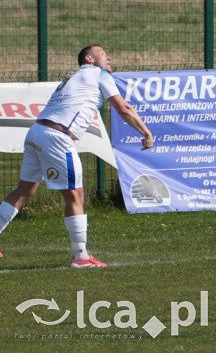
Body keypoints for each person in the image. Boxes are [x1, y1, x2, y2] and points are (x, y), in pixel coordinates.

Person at [0, 46, 154, 268]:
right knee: (76, 196)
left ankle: (80, 256)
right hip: (56, 136)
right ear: (89, 59)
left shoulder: (76, 76)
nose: (109, 57)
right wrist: (146, 132)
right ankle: (81, 257)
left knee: (25, 191)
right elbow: (123, 108)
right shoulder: (97, 73)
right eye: (103, 53)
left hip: (37, 131)